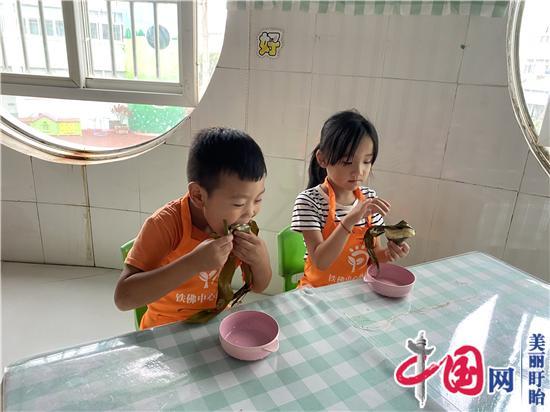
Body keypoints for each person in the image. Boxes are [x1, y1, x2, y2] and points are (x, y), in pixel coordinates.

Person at [114, 127, 272, 328]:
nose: (250, 213)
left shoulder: (239, 226)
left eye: (258, 199)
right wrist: (193, 263)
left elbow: (259, 286)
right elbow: (123, 299)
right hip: (164, 329)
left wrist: (261, 260)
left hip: (216, 326)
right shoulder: (166, 224)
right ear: (198, 195)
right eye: (238, 204)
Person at [291, 110, 410, 287]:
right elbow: (320, 261)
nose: (359, 171)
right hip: (317, 292)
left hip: (356, 292)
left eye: (367, 161)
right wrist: (351, 219)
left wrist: (389, 253)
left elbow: (374, 254)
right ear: (322, 159)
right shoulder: (309, 202)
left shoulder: (369, 198)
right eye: (347, 162)